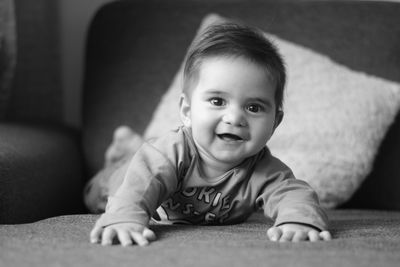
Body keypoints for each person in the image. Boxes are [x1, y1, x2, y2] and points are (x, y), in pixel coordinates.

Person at [89, 22, 332, 247]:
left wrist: (298, 221)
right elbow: (139, 184)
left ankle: (133, 146)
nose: (235, 118)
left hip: (149, 162)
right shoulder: (171, 153)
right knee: (103, 189)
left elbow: (293, 194)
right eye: (218, 101)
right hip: (124, 179)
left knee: (143, 154)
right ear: (187, 111)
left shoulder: (265, 171)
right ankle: (122, 156)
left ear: (275, 122)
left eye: (254, 108)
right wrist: (124, 219)